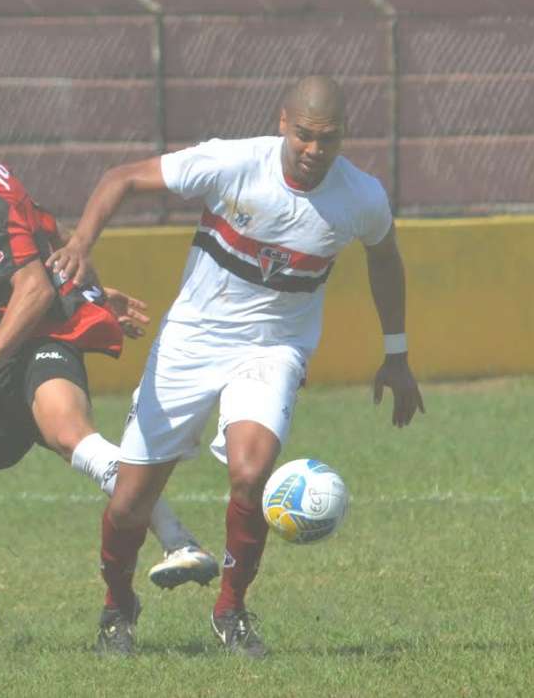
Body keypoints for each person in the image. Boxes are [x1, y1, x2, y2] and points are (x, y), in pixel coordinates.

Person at [48, 75, 425, 657]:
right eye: (304, 135)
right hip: (191, 340)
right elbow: (120, 178)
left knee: (251, 473)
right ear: (282, 123)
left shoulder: (362, 197)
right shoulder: (230, 163)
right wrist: (81, 242)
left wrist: (397, 354)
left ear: (344, 137)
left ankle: (231, 611)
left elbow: (386, 260)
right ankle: (116, 608)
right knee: (129, 503)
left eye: (328, 140)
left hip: (274, 347)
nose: (313, 151)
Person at [0, 72, 217, 656]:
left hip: (32, 341)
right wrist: (89, 288)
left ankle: (178, 539)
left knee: (72, 435)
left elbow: (32, 289)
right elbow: (42, 239)